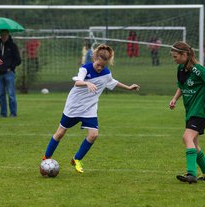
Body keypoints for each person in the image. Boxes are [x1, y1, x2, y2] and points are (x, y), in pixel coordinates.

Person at [42, 44, 140, 173]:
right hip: (74, 105)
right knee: (60, 133)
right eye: (98, 64)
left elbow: (113, 82)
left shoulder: (106, 73)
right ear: (94, 58)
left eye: (103, 66)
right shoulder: (85, 68)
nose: (100, 68)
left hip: (89, 108)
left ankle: (76, 159)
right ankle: (46, 158)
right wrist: (87, 82)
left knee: (94, 135)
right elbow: (77, 82)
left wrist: (128, 87)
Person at [169, 41, 205, 184]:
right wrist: (174, 99)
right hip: (190, 111)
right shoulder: (181, 69)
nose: (174, 59)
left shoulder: (197, 69)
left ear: (184, 54)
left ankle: (191, 174)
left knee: (187, 138)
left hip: (200, 111)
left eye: (175, 57)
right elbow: (181, 86)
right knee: (194, 143)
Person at [0, 29, 21, 117]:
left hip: (9, 73)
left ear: (8, 35)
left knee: (11, 94)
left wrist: (11, 67)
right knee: (1, 95)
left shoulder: (12, 46)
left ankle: (13, 113)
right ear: (0, 35)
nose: (4, 36)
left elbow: (18, 60)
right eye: (2, 35)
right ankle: (3, 113)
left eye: (5, 35)